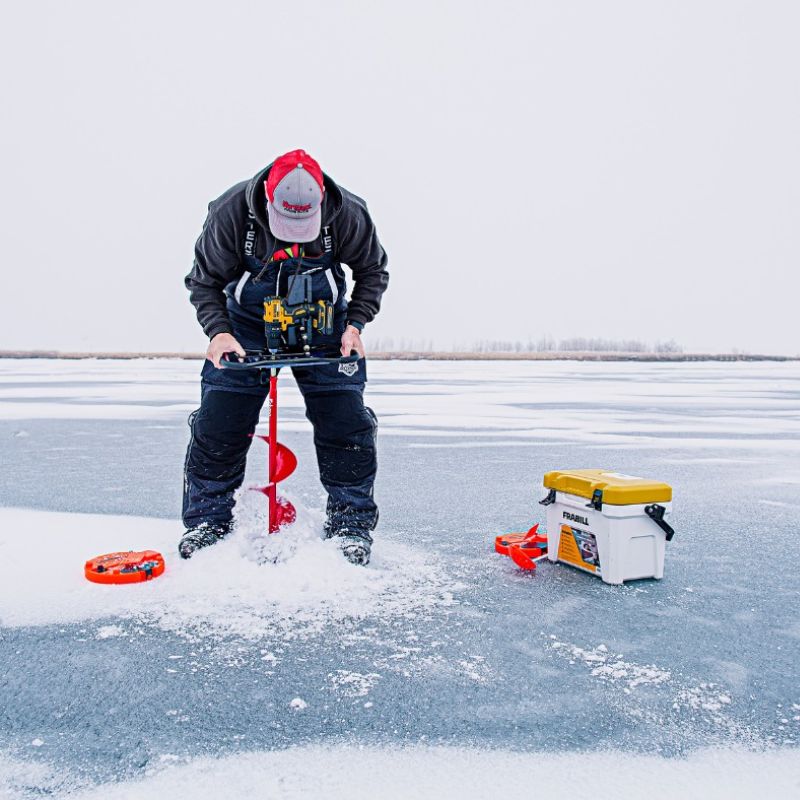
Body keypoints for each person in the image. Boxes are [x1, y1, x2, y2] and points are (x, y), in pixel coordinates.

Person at [181, 149, 389, 565]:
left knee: (346, 424)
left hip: (325, 321)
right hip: (245, 323)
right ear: (268, 198)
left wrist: (355, 325)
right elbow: (203, 281)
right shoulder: (231, 212)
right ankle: (207, 522)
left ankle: (350, 525)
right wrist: (219, 333)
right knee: (220, 420)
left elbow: (372, 271)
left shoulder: (349, 212)